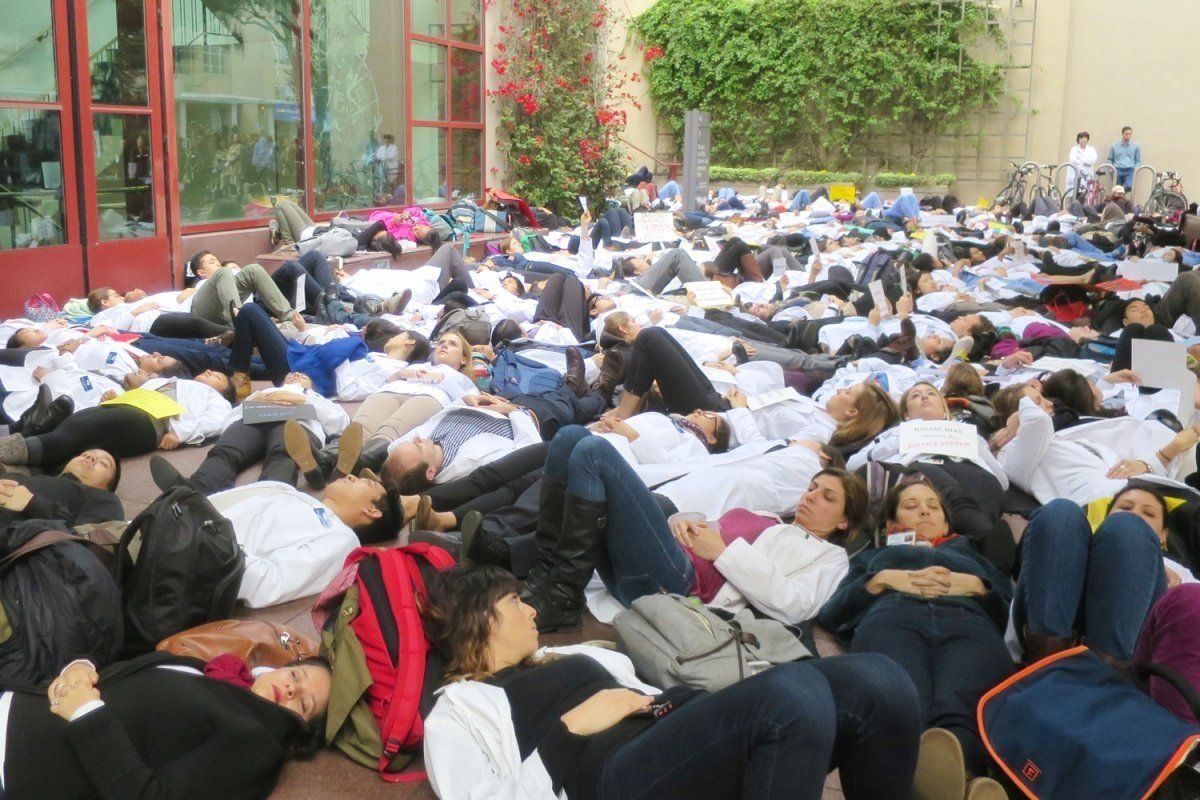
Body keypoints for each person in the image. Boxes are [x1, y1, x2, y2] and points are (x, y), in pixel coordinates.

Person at [421, 563, 923, 800]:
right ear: (478, 617)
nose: (531, 609)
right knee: (792, 697)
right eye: (514, 601)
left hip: (668, 738)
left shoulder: (567, 653)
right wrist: (568, 731)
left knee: (880, 679)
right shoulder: (456, 709)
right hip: (605, 783)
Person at [520, 423, 866, 632]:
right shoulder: (769, 518)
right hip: (663, 557)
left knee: (594, 450)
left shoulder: (830, 557)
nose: (811, 496)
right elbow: (698, 527)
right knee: (569, 437)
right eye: (811, 488)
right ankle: (547, 576)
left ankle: (562, 595)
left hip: (679, 585)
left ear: (845, 519)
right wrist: (680, 521)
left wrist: (724, 553)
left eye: (827, 497)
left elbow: (795, 605)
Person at [818, 478, 1013, 800]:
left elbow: (1008, 611)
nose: (924, 510)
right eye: (911, 505)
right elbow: (832, 614)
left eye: (932, 505)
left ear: (947, 521)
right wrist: (881, 580)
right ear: (893, 523)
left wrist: (976, 587)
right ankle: (964, 787)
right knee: (905, 704)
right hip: (893, 619)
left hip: (970, 625)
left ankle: (949, 778)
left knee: (963, 708)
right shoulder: (874, 559)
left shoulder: (974, 557)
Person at [2, 651, 330, 799]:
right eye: (296, 676)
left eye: (303, 703)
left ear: (301, 728)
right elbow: (127, 677)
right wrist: (80, 668)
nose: (291, 689)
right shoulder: (217, 674)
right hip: (18, 701)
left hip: (15, 765)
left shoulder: (254, 744)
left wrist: (87, 714)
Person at [1014, 486, 1195, 667]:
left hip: (1128, 654)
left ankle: (1104, 675)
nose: (1135, 515)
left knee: (1129, 530)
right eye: (1125, 508)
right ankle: (1046, 658)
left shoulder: (1181, 575)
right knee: (1060, 512)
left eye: (1149, 513)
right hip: (1045, 635)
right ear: (1106, 519)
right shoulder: (1072, 543)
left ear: (1164, 535)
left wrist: (1172, 594)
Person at [0, 449, 123, 526]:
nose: (91, 458)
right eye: (85, 454)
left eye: (104, 463)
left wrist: (32, 503)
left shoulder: (105, 499)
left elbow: (92, 540)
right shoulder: (25, 478)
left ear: (107, 488)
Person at [1107, 125, 1142, 191]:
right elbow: (1109, 159)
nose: (1128, 136)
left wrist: (1135, 168)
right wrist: (1111, 169)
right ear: (1122, 134)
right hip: (1118, 170)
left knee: (1129, 186)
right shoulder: (1115, 145)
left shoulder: (1135, 146)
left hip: (1129, 170)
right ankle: (1119, 199)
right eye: (1126, 134)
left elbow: (1138, 160)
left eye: (1129, 134)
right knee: (1117, 190)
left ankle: (1121, 194)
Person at [1067, 131, 1098, 198]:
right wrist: (1083, 162)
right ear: (1078, 139)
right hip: (1075, 174)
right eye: (1081, 138)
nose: (1083, 139)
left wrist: (1083, 161)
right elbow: (1073, 159)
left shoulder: (1091, 149)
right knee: (1074, 193)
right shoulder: (1074, 149)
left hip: (1087, 173)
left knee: (1086, 194)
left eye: (1085, 138)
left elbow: (1093, 159)